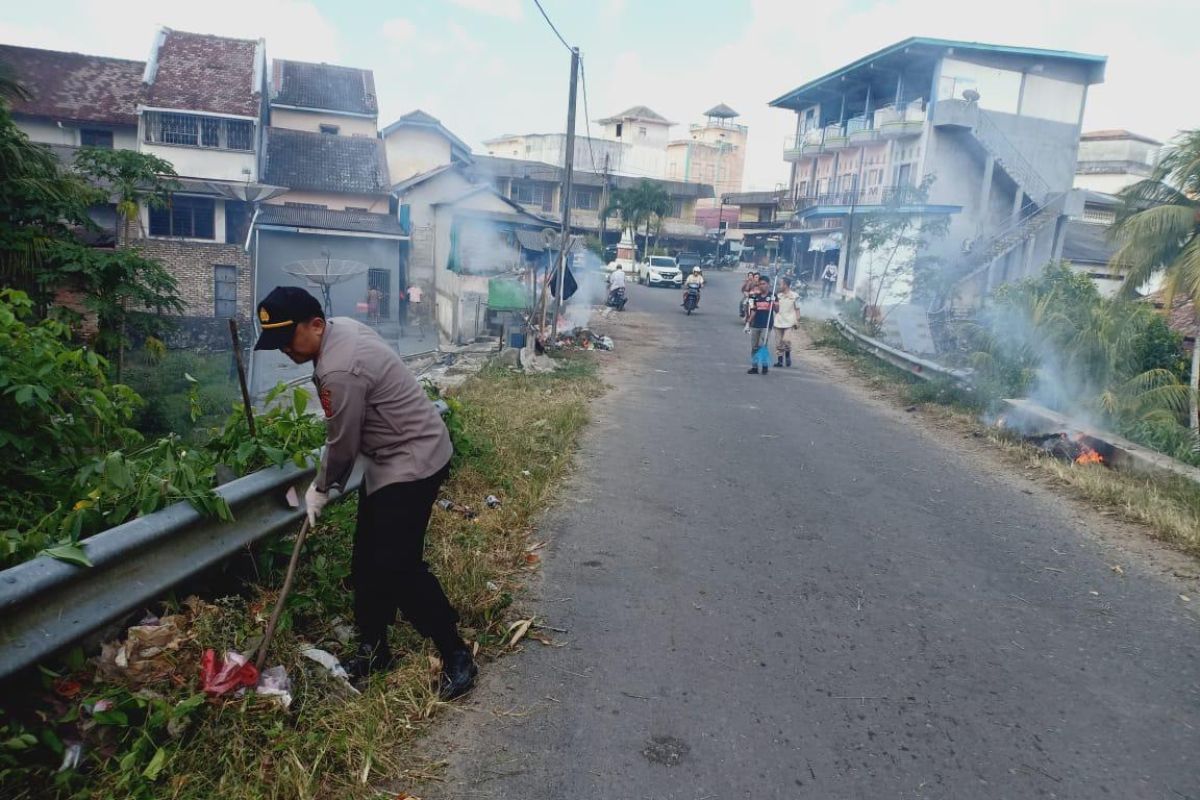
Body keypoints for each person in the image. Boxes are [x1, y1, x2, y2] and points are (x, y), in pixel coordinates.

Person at [252, 286, 477, 699]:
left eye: (288, 337)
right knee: (366, 559)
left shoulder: (340, 367)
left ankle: (456, 652)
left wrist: (320, 490)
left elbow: (341, 444)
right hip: (390, 456)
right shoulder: (342, 330)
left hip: (413, 458)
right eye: (277, 341)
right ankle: (375, 650)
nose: (283, 348)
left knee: (396, 564)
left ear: (316, 325)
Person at [744, 277, 777, 375]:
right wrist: (748, 323)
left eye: (763, 284)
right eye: (760, 284)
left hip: (766, 325)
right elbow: (753, 311)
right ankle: (754, 367)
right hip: (756, 324)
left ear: (768, 284)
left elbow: (777, 310)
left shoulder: (773, 295)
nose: (762, 286)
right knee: (754, 347)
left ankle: (764, 366)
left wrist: (773, 302)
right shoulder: (755, 297)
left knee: (763, 345)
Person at [773, 278, 800, 368]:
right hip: (778, 320)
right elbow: (775, 310)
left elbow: (797, 309)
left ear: (785, 285)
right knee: (778, 342)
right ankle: (780, 360)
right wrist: (774, 304)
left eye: (780, 284)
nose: (779, 286)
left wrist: (797, 320)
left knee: (786, 340)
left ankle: (787, 353)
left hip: (789, 321)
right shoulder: (778, 295)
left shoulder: (795, 296)